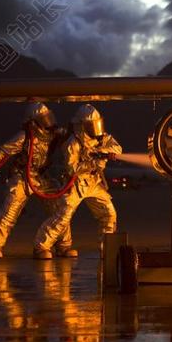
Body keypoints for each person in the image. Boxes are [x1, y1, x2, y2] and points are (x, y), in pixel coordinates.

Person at [0, 102, 75, 259]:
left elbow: (72, 139)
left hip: (41, 176)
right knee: (10, 210)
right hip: (22, 176)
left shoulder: (55, 135)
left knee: (59, 207)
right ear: (33, 122)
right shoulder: (24, 137)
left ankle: (63, 245)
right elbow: (3, 150)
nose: (49, 122)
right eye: (44, 119)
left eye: (49, 117)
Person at [33, 104, 121, 259]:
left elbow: (117, 147)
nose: (95, 129)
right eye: (91, 126)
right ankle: (41, 247)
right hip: (75, 183)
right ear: (81, 125)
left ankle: (106, 249)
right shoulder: (72, 142)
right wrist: (92, 161)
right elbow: (71, 169)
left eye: (96, 124)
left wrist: (104, 153)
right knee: (63, 216)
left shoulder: (101, 138)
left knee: (108, 214)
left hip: (94, 182)